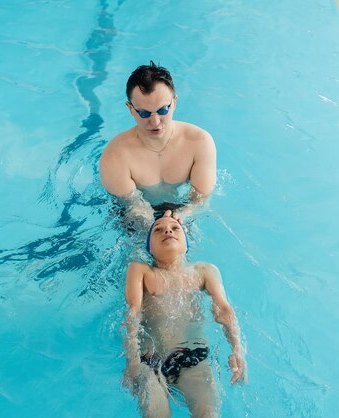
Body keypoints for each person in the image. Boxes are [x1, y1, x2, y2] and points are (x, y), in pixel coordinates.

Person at [122, 211, 247, 417]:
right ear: (149, 247)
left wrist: (237, 349)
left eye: (174, 228)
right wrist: (132, 360)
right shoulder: (140, 271)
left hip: (192, 359)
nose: (167, 230)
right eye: (158, 230)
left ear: (186, 242)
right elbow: (132, 313)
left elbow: (224, 310)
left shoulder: (204, 272)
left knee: (208, 413)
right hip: (150, 362)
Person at [99, 61, 217, 227]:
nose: (155, 122)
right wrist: (153, 228)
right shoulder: (115, 155)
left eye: (163, 110)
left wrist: (180, 217)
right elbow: (132, 206)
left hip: (179, 214)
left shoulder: (199, 142)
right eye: (144, 113)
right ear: (130, 109)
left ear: (174, 102)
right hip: (136, 214)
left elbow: (200, 200)